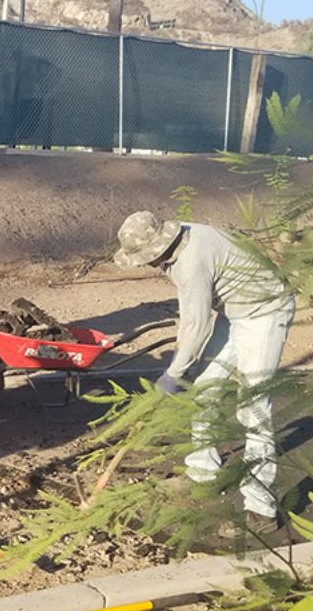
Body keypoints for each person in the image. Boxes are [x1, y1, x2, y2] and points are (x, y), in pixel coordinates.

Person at [113, 211, 295, 537]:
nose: (149, 265)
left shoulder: (190, 263)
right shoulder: (186, 235)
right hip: (235, 311)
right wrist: (182, 370)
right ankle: (203, 470)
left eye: (147, 259)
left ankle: (261, 510)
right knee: (205, 389)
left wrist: (172, 375)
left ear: (159, 248)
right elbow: (191, 321)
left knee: (253, 406)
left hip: (265, 311)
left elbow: (196, 326)